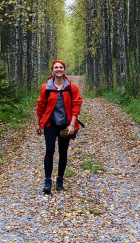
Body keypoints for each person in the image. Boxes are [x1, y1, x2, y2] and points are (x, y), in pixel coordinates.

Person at [36, 60, 83, 194]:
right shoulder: (46, 87)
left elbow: (76, 106)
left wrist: (72, 125)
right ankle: (47, 181)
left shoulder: (71, 87)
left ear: (64, 69)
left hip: (65, 125)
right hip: (50, 124)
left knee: (63, 152)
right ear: (52, 70)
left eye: (61, 67)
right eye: (56, 67)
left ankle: (60, 179)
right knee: (49, 150)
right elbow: (40, 106)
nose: (58, 69)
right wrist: (38, 123)